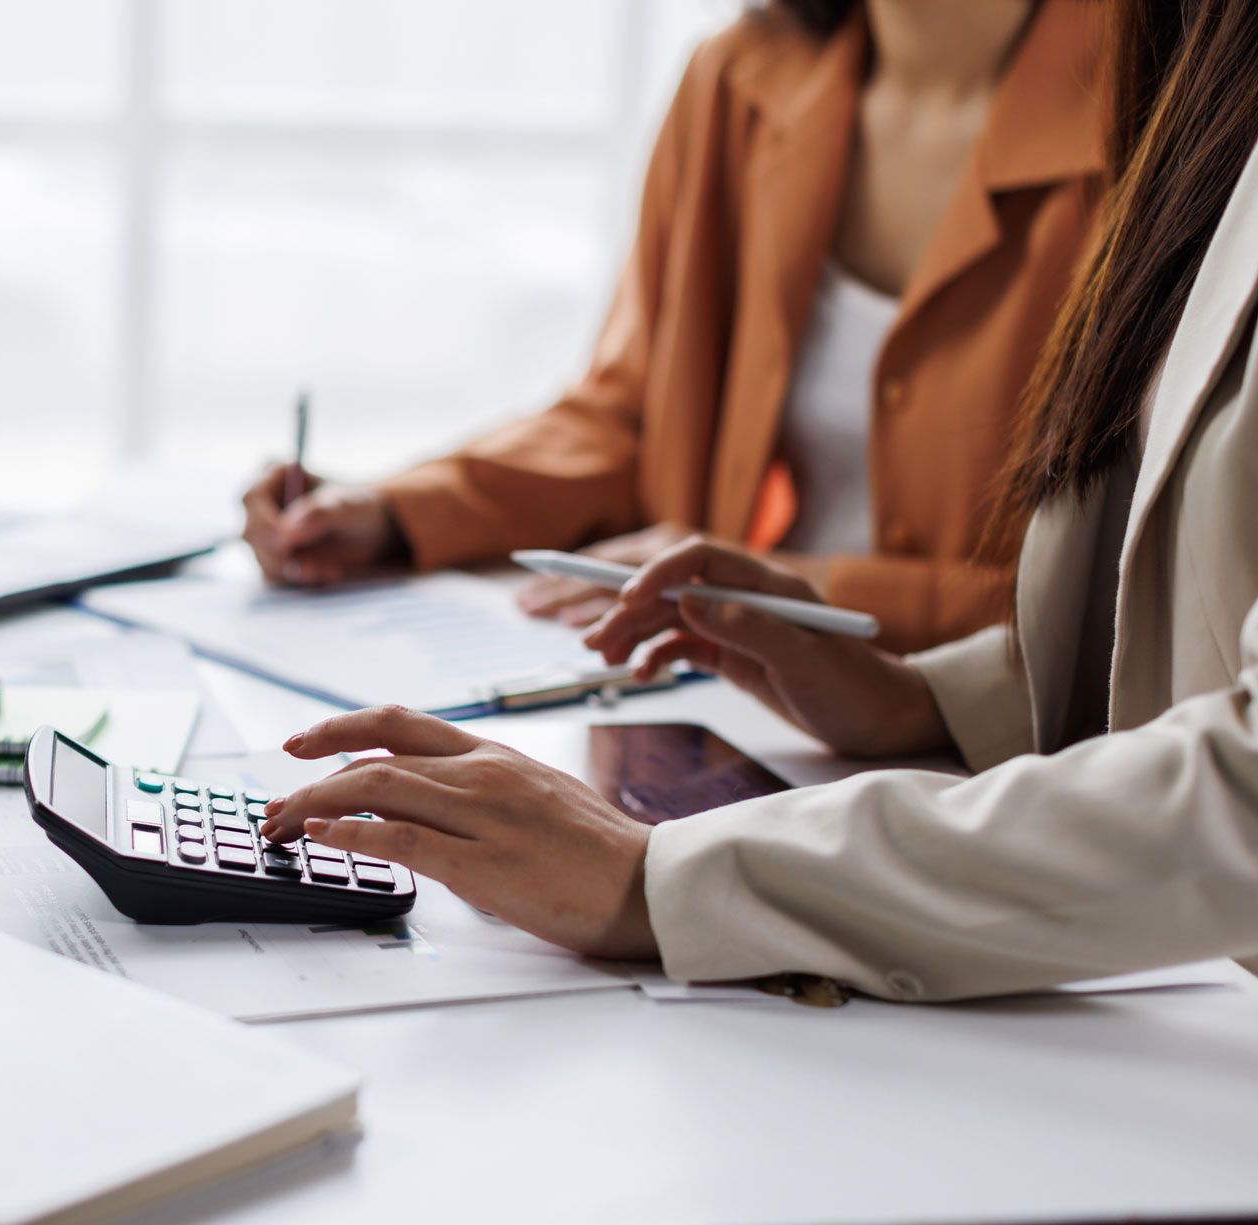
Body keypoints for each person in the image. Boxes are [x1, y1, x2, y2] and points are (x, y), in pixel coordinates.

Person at [259, 0, 1258, 1001]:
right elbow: (637, 407)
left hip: (1049, 879)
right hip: (838, 752)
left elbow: (1211, 728)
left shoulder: (1140, 80)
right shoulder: (748, 76)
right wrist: (930, 700)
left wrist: (671, 880)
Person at [241, 0, 1107, 653]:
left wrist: (791, 588)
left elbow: (1131, 603)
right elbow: (634, 418)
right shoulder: (737, 80)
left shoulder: (1160, 116)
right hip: (727, 702)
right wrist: (395, 512)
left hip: (990, 764)